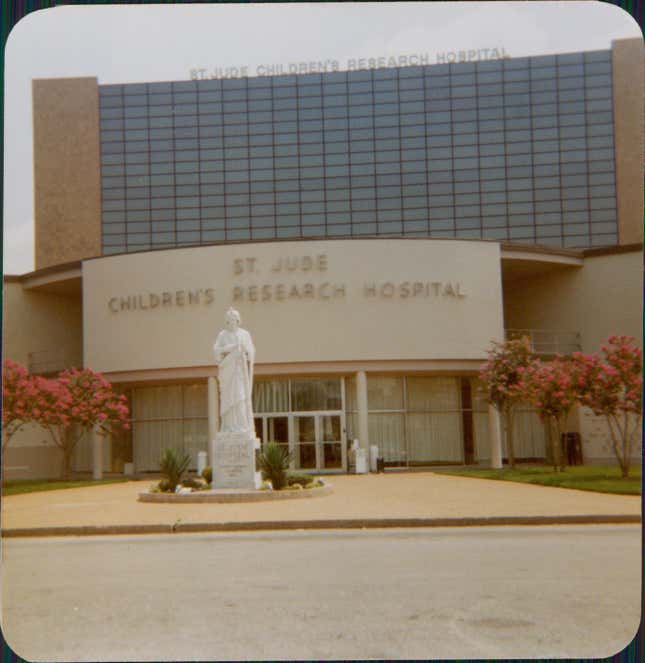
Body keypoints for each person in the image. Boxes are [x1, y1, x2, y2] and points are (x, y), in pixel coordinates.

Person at [213, 308, 255, 433]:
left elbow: (251, 350)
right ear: (227, 321)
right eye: (229, 319)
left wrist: (245, 351)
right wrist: (231, 348)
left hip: (240, 372)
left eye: (234, 319)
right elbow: (216, 351)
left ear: (238, 320)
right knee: (228, 399)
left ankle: (242, 426)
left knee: (240, 397)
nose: (232, 321)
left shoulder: (244, 334)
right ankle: (228, 426)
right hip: (227, 371)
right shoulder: (222, 335)